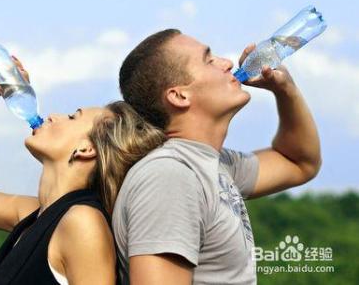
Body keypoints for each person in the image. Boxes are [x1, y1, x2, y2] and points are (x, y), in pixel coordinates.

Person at [0, 58, 166, 285]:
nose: (53, 116)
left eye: (72, 117)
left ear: (86, 148)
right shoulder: (33, 215)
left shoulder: (83, 223)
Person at [113, 29, 322, 284]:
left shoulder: (214, 164)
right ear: (179, 96)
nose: (228, 63)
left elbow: (300, 163)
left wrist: (285, 90)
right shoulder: (170, 177)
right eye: (209, 60)